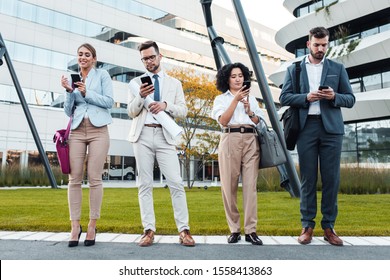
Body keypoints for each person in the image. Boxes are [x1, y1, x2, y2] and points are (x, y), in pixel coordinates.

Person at [279, 27, 355, 246]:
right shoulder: (294, 69)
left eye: (324, 45)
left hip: (332, 130)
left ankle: (329, 227)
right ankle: (307, 226)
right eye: (317, 45)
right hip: (306, 129)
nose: (321, 49)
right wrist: (307, 97)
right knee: (308, 180)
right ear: (308, 44)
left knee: (331, 180)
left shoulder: (337, 68)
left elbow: (350, 99)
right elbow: (285, 97)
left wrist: (334, 97)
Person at [127, 40, 194, 247]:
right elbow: (131, 112)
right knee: (144, 184)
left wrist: (166, 105)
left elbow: (183, 110)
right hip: (142, 135)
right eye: (144, 58)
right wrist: (140, 97)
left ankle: (184, 230)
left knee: (175, 182)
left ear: (160, 56)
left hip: (165, 137)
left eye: (151, 57)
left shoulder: (174, 83)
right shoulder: (135, 83)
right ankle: (148, 230)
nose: (148, 61)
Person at [60, 43, 114, 247]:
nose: (83, 57)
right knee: (74, 179)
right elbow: (68, 111)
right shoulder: (74, 78)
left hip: (98, 130)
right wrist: (68, 92)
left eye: (87, 54)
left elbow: (109, 102)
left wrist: (85, 93)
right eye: (80, 54)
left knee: (94, 178)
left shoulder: (103, 76)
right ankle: (75, 226)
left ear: (94, 58)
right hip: (76, 131)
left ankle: (92, 225)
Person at [211, 62, 265, 245]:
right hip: (230, 138)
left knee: (250, 186)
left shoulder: (252, 98)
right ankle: (234, 229)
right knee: (229, 186)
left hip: (251, 139)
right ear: (227, 79)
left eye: (240, 76)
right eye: (233, 76)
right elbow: (224, 121)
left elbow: (258, 121)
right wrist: (235, 101)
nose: (237, 79)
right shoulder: (220, 99)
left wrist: (250, 110)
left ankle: (251, 230)